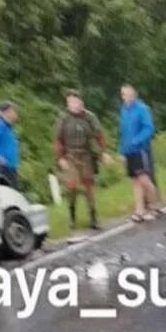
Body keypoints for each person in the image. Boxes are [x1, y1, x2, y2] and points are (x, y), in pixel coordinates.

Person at [54, 90, 110, 230]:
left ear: (81, 102)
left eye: (75, 102)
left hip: (86, 154)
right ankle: (72, 217)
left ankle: (93, 217)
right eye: (69, 102)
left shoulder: (89, 117)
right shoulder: (63, 118)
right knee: (71, 186)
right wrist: (60, 158)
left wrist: (104, 153)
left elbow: (99, 136)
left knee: (88, 187)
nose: (72, 105)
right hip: (70, 156)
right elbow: (58, 140)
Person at [118, 84, 160, 222]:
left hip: (140, 150)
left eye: (129, 94)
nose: (126, 97)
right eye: (124, 95)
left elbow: (148, 128)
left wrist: (137, 140)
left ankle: (154, 206)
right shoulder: (124, 110)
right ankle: (139, 210)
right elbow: (123, 132)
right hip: (129, 150)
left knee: (144, 179)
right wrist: (122, 151)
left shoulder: (141, 109)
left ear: (134, 94)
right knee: (135, 181)